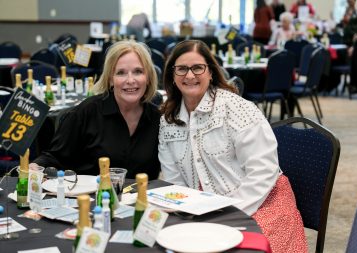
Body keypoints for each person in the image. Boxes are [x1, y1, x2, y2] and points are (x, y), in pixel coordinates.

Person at [158, 40, 308, 252]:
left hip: (261, 201)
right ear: (172, 76)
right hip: (204, 208)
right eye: (181, 69)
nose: (189, 76)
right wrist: (189, 211)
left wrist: (225, 212)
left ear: (210, 72)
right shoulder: (168, 120)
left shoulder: (236, 108)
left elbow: (263, 171)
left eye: (197, 68)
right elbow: (174, 179)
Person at [32, 41, 161, 179]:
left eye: (138, 71)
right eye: (121, 73)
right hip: (92, 197)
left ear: (148, 78)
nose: (130, 80)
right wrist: (35, 167)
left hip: (143, 198)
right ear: (111, 79)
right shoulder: (85, 113)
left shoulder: (158, 119)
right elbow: (54, 158)